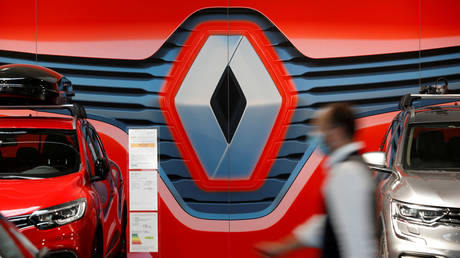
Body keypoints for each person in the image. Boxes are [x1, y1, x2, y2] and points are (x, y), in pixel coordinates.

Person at [255, 103, 377, 258]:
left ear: (337, 133)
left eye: (321, 128)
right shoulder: (346, 169)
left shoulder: (348, 172)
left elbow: (358, 243)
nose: (315, 134)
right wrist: (281, 248)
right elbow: (326, 225)